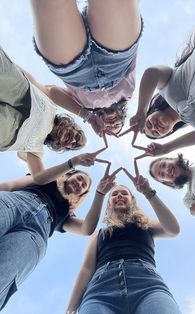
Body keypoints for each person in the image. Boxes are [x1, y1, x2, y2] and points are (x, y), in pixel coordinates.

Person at [0, 159, 122, 311]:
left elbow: (86, 229)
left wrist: (100, 193)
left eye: (84, 186)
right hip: (16, 202)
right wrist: (74, 161)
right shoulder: (44, 179)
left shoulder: (67, 215)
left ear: (82, 195)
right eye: (79, 178)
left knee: (5, 271)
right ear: (69, 175)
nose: (79, 184)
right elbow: (10, 186)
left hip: (35, 233)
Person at [65, 171, 181, 314]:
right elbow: (86, 269)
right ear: (109, 204)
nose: (119, 195)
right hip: (100, 291)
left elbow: (173, 230)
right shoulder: (98, 234)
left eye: (124, 193)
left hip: (147, 286)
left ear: (132, 200)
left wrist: (148, 192)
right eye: (114, 194)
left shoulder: (145, 225)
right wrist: (71, 308)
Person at [29, 0, 143, 136]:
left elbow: (51, 92)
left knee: (52, 4)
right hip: (117, 60)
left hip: (73, 71)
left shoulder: (83, 106)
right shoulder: (128, 94)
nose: (112, 124)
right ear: (123, 118)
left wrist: (87, 116)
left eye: (108, 128)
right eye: (117, 125)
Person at [130, 0, 195, 139]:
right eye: (156, 133)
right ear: (169, 132)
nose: (155, 127)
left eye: (149, 124)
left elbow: (152, 73)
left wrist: (141, 112)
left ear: (152, 112)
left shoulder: (165, 88)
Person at [0, 45, 90, 179]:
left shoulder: (37, 150)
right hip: (22, 91)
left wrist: (73, 162)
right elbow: (43, 87)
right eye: (77, 137)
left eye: (73, 146)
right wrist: (88, 116)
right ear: (73, 126)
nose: (73, 141)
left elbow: (39, 177)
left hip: (11, 132)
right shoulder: (52, 105)